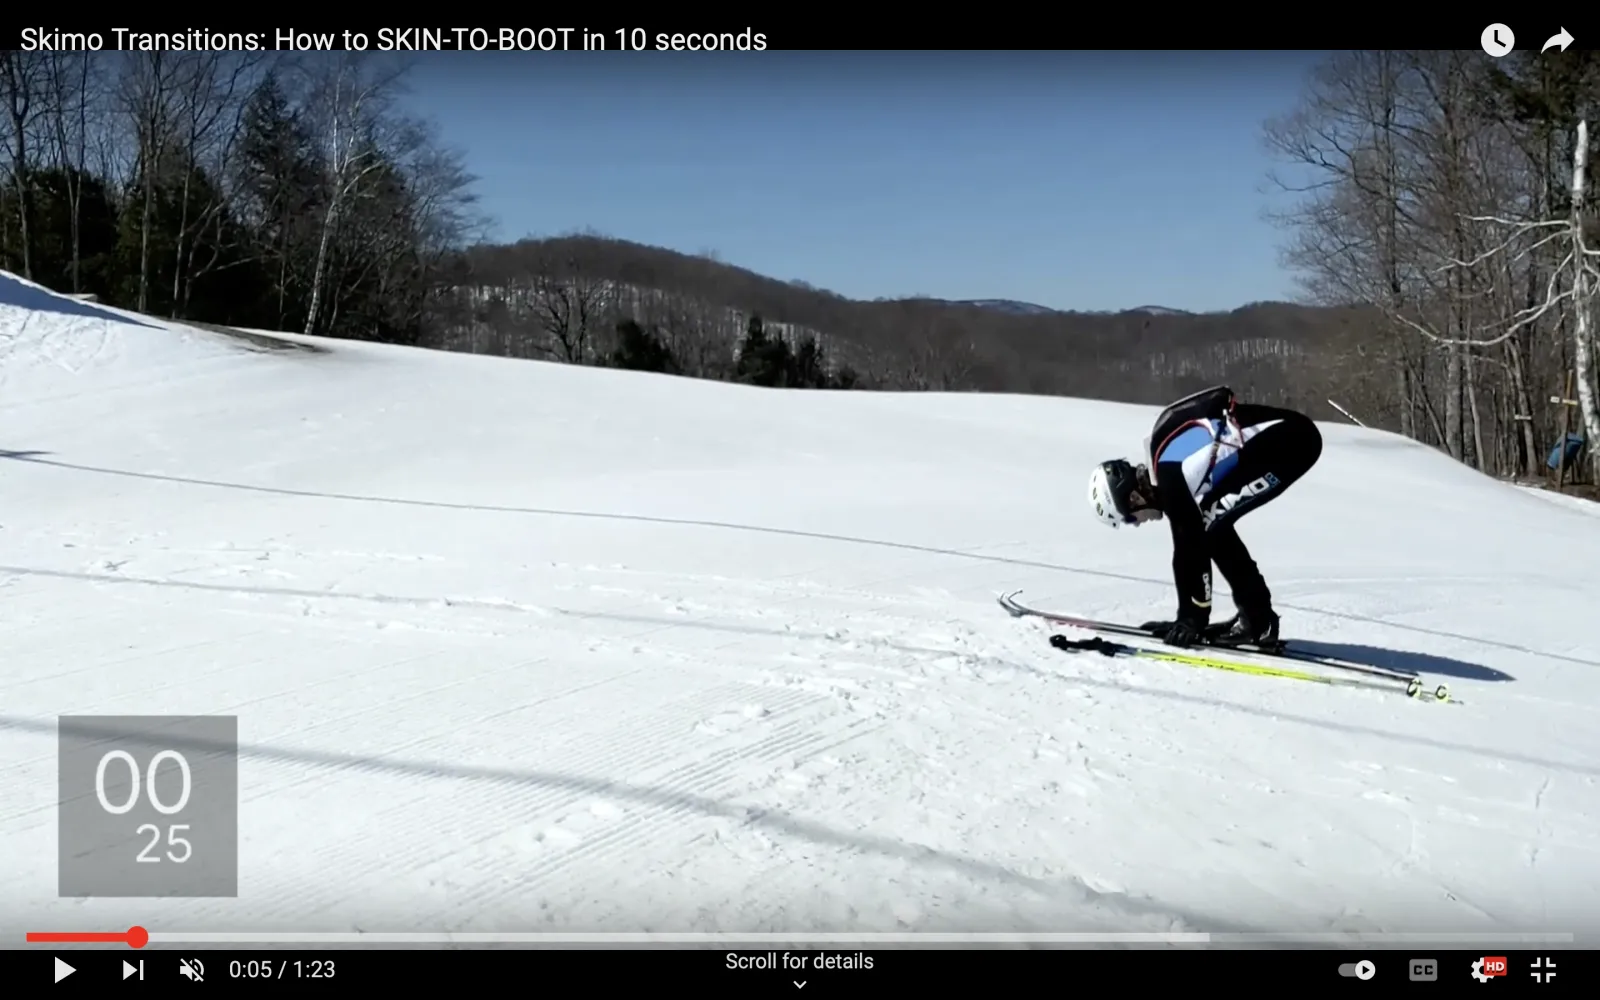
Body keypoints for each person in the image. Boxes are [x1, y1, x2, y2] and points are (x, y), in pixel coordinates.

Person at [1086, 385, 1323, 648]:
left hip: (1293, 444)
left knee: (1209, 523)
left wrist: (1191, 620)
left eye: (1130, 518)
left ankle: (1258, 620)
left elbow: (1189, 549)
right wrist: (1187, 616)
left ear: (1133, 498)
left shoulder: (1170, 478)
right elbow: (1187, 547)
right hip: (1288, 438)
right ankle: (1256, 616)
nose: (1137, 524)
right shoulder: (1162, 465)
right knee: (1211, 522)